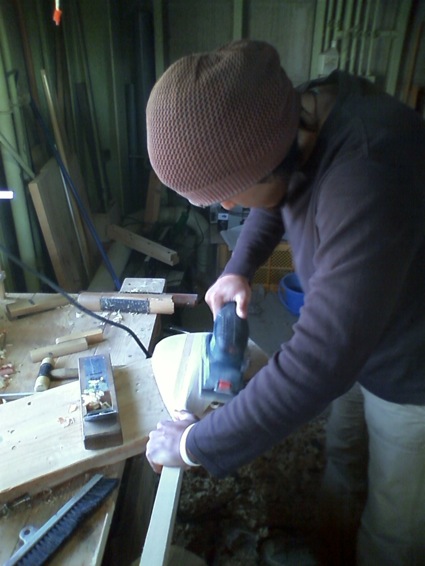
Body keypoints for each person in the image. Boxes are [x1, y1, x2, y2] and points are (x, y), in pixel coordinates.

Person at [144, 39, 425, 565]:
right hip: (361, 336)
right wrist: (239, 267)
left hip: (413, 369)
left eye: (227, 194)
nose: (228, 204)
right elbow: (275, 193)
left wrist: (193, 445)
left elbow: (315, 366)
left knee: (396, 530)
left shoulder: (367, 172)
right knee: (344, 458)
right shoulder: (291, 119)